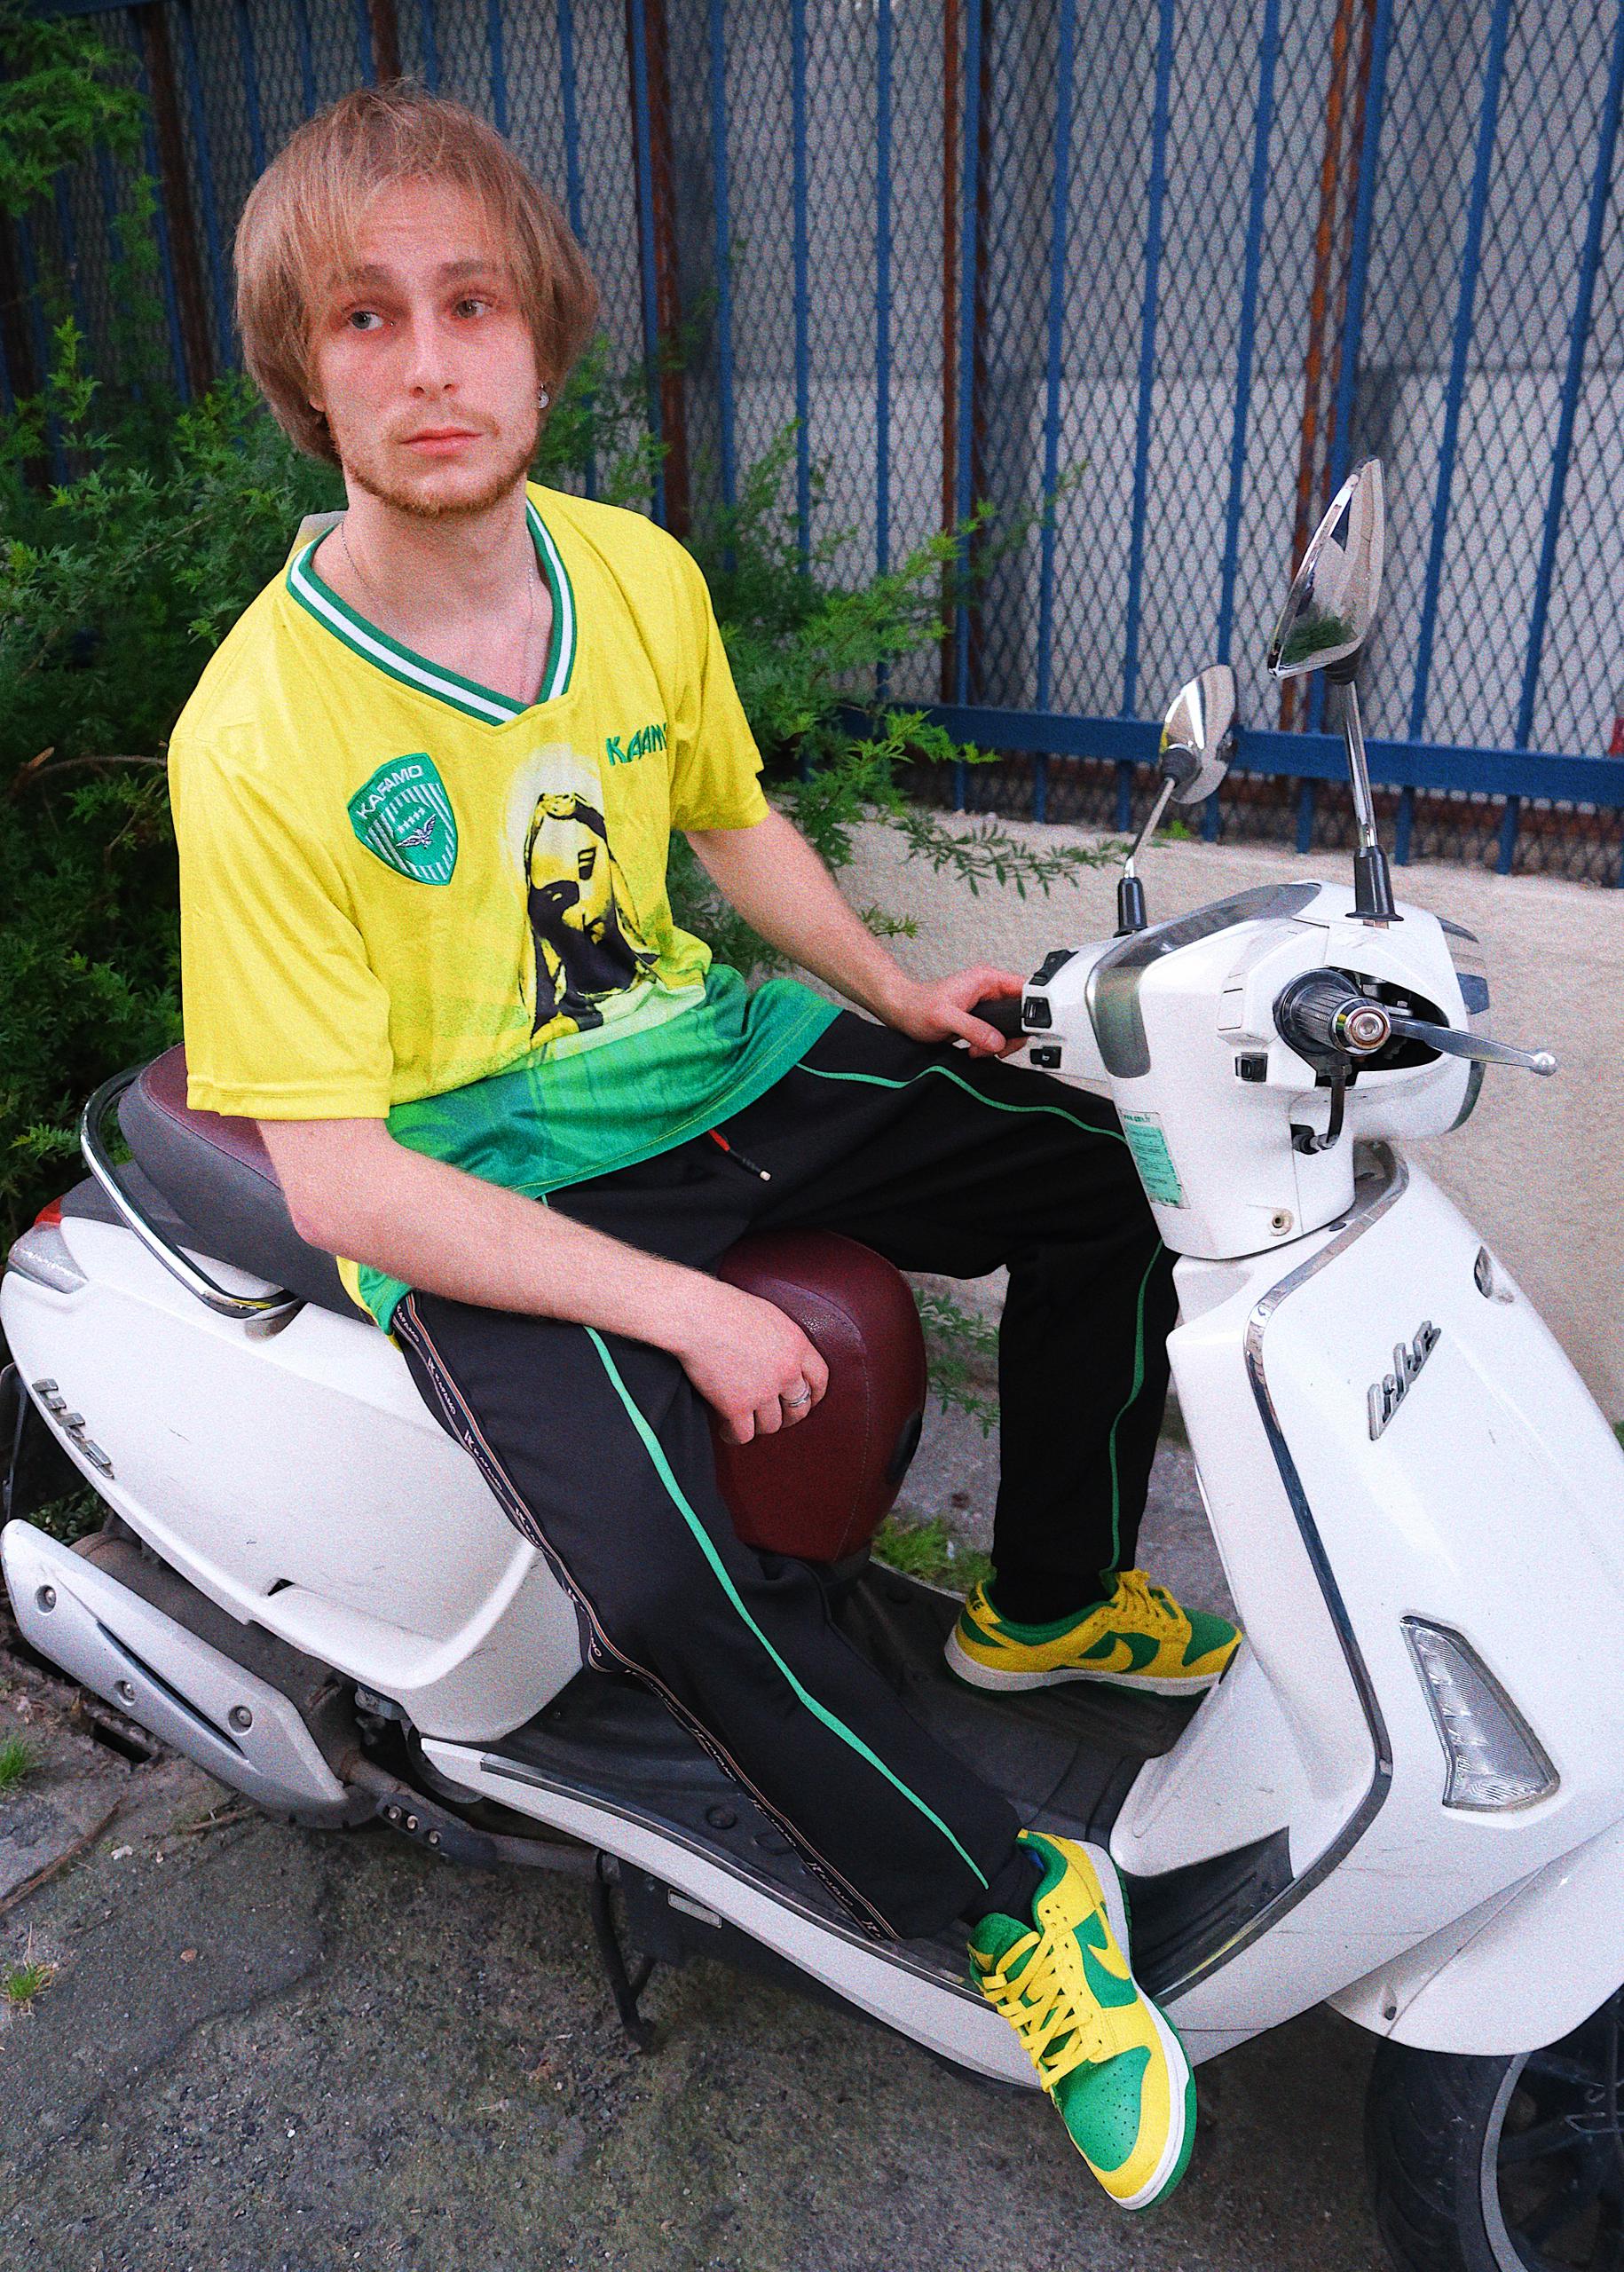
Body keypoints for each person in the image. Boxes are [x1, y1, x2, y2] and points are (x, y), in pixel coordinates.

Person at [169, 82, 1240, 2211]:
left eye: (471, 302)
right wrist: (683, 1307)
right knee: (662, 1579)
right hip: (480, 1180)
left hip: (708, 1062)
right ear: (304, 370)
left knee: (1119, 1175)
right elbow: (344, 1184)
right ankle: (1008, 1900)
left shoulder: (635, 572)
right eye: (366, 316)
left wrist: (887, 989)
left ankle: (1045, 1597)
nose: (429, 359)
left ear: (543, 337)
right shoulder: (259, 730)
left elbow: (729, 815)